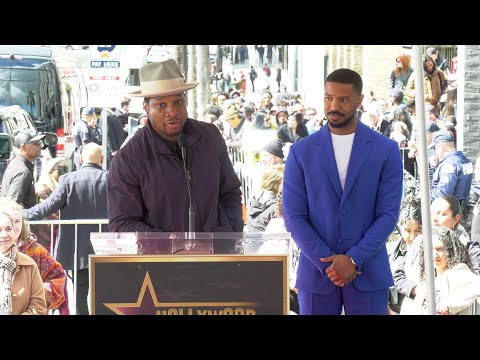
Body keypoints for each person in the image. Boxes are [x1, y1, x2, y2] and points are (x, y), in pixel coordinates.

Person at [282, 68, 404, 315]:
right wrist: (328, 262)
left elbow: (388, 214)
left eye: (343, 99)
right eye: (329, 98)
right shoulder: (300, 151)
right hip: (317, 274)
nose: (333, 105)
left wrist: (354, 259)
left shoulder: (386, 150)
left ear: (359, 100)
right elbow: (293, 216)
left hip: (368, 271)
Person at [107, 59, 243, 233]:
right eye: (161, 105)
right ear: (146, 109)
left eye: (178, 102)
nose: (172, 112)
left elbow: (230, 192)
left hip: (216, 255)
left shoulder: (209, 136)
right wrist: (172, 246)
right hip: (161, 259)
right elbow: (123, 223)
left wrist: (231, 234)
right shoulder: (129, 158)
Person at [25, 143, 108, 315]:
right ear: (102, 159)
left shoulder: (68, 180)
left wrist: (18, 214)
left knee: (79, 294)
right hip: (106, 249)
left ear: (80, 159)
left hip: (77, 250)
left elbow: (46, 208)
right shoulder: (112, 179)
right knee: (105, 295)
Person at [0, 197, 67, 312]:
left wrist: (39, 293)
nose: (14, 227)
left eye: (17, 221)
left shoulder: (35, 252)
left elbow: (58, 278)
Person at [414, 226, 480, 315]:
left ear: (450, 250)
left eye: (440, 249)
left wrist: (449, 306)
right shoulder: (429, 280)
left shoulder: (457, 272)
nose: (434, 254)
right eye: (430, 249)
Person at [0, 210, 47, 315]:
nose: (4, 234)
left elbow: (38, 307)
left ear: (14, 231)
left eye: (8, 229)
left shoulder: (29, 264)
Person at [1, 129, 46, 208]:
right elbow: (12, 206)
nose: (40, 146)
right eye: (36, 143)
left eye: (40, 143)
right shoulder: (23, 172)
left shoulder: (16, 163)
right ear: (23, 147)